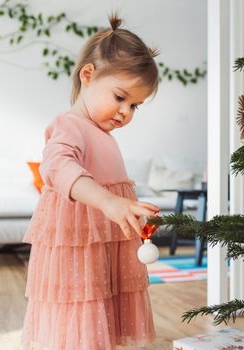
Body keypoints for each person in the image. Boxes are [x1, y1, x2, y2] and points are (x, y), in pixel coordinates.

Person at [20, 12, 161, 349]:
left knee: (104, 307)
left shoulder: (103, 134)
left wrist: (126, 207)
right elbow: (56, 167)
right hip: (77, 243)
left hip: (103, 241)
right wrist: (108, 201)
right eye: (120, 97)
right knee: (81, 310)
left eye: (135, 106)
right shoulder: (69, 125)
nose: (126, 112)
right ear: (88, 75)